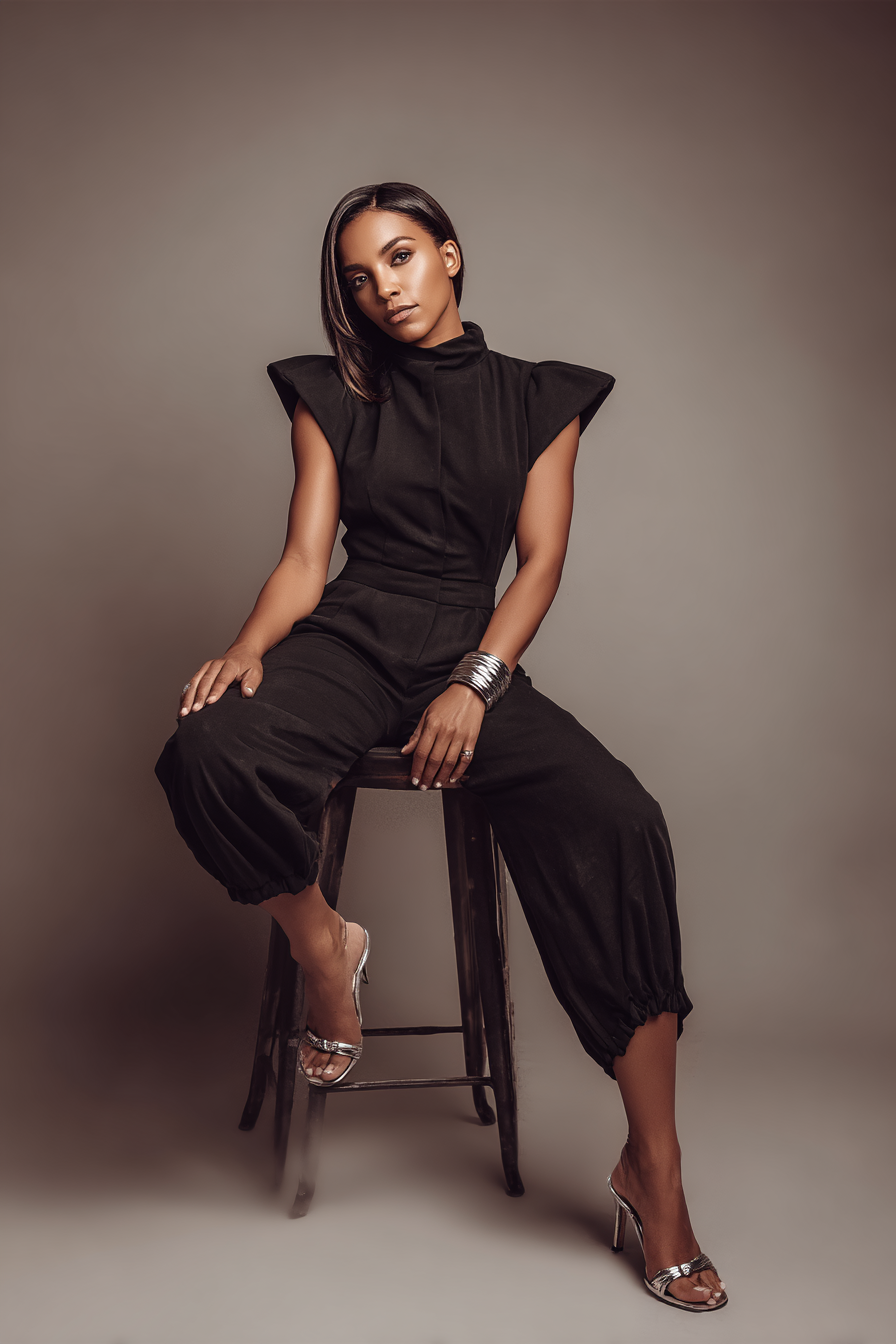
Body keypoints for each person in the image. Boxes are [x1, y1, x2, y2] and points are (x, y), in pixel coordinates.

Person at [155, 182, 727, 1312]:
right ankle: (329, 951)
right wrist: (247, 647)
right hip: (349, 641)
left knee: (621, 820)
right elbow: (306, 560)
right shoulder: (331, 393)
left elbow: (540, 564)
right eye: (360, 277)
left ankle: (653, 1171)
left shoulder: (538, 397)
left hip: (466, 653)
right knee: (205, 750)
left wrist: (474, 683)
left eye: (403, 257)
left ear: (451, 255)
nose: (385, 289)